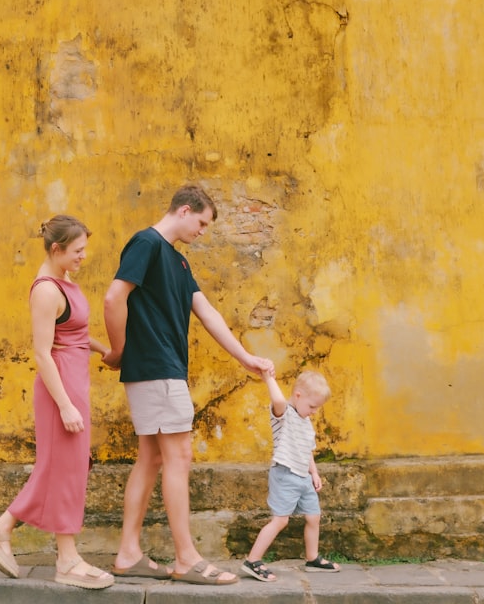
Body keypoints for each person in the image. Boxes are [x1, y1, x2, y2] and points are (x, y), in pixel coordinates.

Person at [102, 184, 275, 586]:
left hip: (161, 369)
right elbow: (114, 298)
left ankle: (128, 553)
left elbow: (206, 312)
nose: (202, 232)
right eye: (201, 223)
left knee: (152, 458)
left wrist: (245, 357)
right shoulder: (146, 243)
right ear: (183, 211)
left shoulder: (177, 262)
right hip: (157, 367)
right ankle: (186, 558)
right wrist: (118, 349)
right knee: (179, 458)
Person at [0, 215, 115, 590]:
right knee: (63, 470)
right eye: (77, 250)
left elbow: (74, 334)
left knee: (67, 468)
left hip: (75, 383)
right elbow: (42, 354)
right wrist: (66, 405)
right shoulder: (46, 291)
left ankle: (1, 528)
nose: (84, 256)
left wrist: (106, 351)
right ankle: (66, 559)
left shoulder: (65, 281)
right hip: (60, 391)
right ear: (56, 249)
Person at [241, 368, 339, 582]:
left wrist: (314, 473)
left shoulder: (306, 422)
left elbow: (307, 450)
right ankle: (253, 560)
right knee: (280, 520)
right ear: (298, 396)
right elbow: (277, 398)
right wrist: (268, 377)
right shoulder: (284, 414)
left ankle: (312, 558)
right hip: (285, 474)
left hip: (303, 476)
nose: (314, 411)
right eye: (312, 406)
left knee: (314, 516)